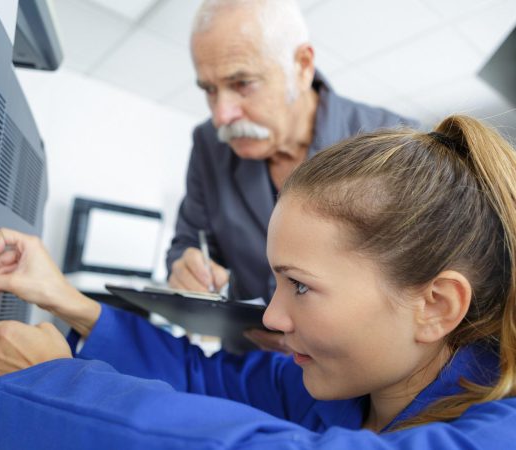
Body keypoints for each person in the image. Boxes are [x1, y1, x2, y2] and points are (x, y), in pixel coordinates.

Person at [0, 115, 516, 448]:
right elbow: (203, 379)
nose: (271, 319)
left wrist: (57, 383)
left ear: (436, 306)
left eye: (299, 285)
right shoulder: (342, 388)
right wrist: (65, 299)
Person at [166, 0, 417, 352]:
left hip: (352, 375)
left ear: (302, 66)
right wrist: (186, 266)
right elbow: (187, 242)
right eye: (209, 89)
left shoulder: (398, 144)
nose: (222, 115)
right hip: (248, 364)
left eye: (242, 83)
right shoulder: (208, 144)